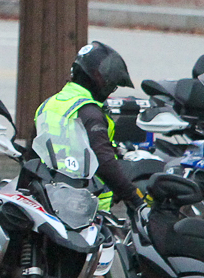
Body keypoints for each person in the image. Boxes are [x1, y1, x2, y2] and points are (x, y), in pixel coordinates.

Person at [32, 40, 142, 215]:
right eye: (112, 85)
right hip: (85, 208)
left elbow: (33, 153)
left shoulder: (48, 104)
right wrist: (135, 199)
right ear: (98, 77)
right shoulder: (89, 112)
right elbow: (105, 163)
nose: (110, 91)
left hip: (47, 201)